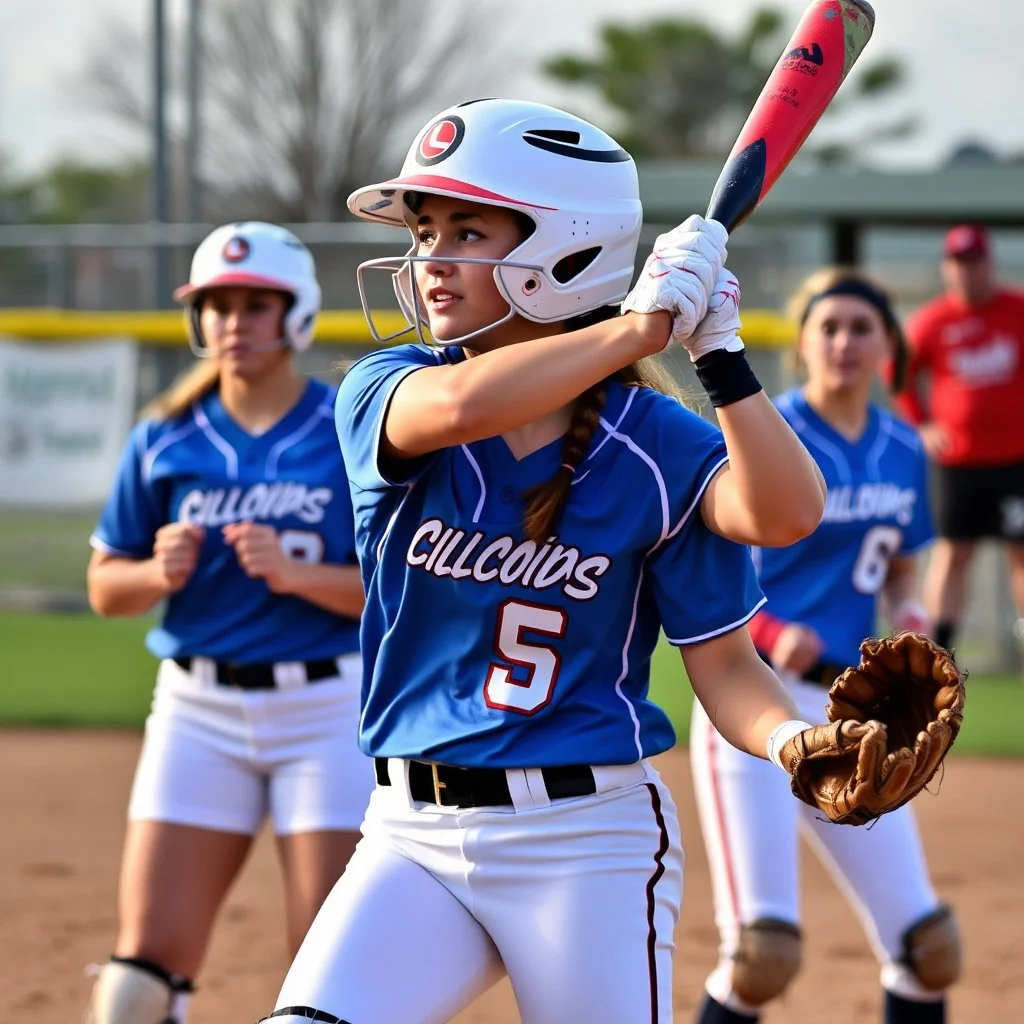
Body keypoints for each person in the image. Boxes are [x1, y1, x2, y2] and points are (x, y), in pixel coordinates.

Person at [260, 97, 831, 1024]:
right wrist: (639, 330)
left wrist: (719, 354)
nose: (431, 257)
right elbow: (455, 413)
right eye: (426, 230)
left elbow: (777, 535)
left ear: (565, 249)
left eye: (467, 229)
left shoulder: (656, 446)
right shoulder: (386, 388)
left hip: (586, 842)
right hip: (410, 834)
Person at [83, 222, 372, 1024]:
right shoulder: (165, 437)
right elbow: (109, 589)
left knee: (327, 967)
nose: (233, 323)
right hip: (196, 711)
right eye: (216, 306)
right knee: (136, 983)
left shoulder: (345, 430)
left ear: (298, 315)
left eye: (256, 305)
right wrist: (154, 572)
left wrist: (299, 576)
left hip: (326, 710)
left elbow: (398, 594)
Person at [690, 267, 962, 1024]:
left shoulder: (903, 446)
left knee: (930, 948)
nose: (844, 341)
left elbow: (904, 561)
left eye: (861, 327)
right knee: (762, 957)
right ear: (803, 342)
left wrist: (912, 615)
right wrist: (776, 630)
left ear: (887, 346)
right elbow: (715, 572)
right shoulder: (766, 431)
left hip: (858, 711)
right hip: (758, 700)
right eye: (828, 326)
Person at [896, 224, 1024, 657]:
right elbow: (899, 374)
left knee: (1021, 554)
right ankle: (939, 652)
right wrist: (923, 424)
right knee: (953, 554)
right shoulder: (934, 320)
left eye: (974, 263)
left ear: (990, 264)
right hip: (959, 461)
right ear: (947, 269)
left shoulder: (1016, 310)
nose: (967, 273)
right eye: (958, 263)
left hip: (1015, 458)